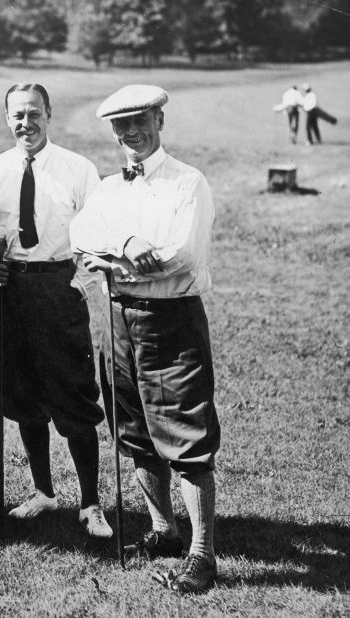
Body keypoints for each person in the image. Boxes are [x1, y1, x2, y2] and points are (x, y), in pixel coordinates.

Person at [70, 84, 220, 593]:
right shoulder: (110, 189)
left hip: (172, 320)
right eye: (121, 125)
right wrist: (126, 245)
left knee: (186, 433)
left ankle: (203, 554)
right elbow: (80, 234)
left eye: (140, 120)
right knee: (133, 430)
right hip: (117, 320)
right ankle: (163, 532)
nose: (131, 132)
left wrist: (110, 265)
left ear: (160, 119)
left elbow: (179, 256)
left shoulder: (187, 183)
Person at [0, 83, 113, 539]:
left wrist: (80, 288)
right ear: (6, 118)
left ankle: (90, 503)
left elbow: (96, 234)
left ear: (49, 113)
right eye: (17, 115)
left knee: (72, 393)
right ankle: (43, 491)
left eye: (33, 113)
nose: (25, 123)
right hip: (8, 290)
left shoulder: (77, 168)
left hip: (57, 286)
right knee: (21, 391)